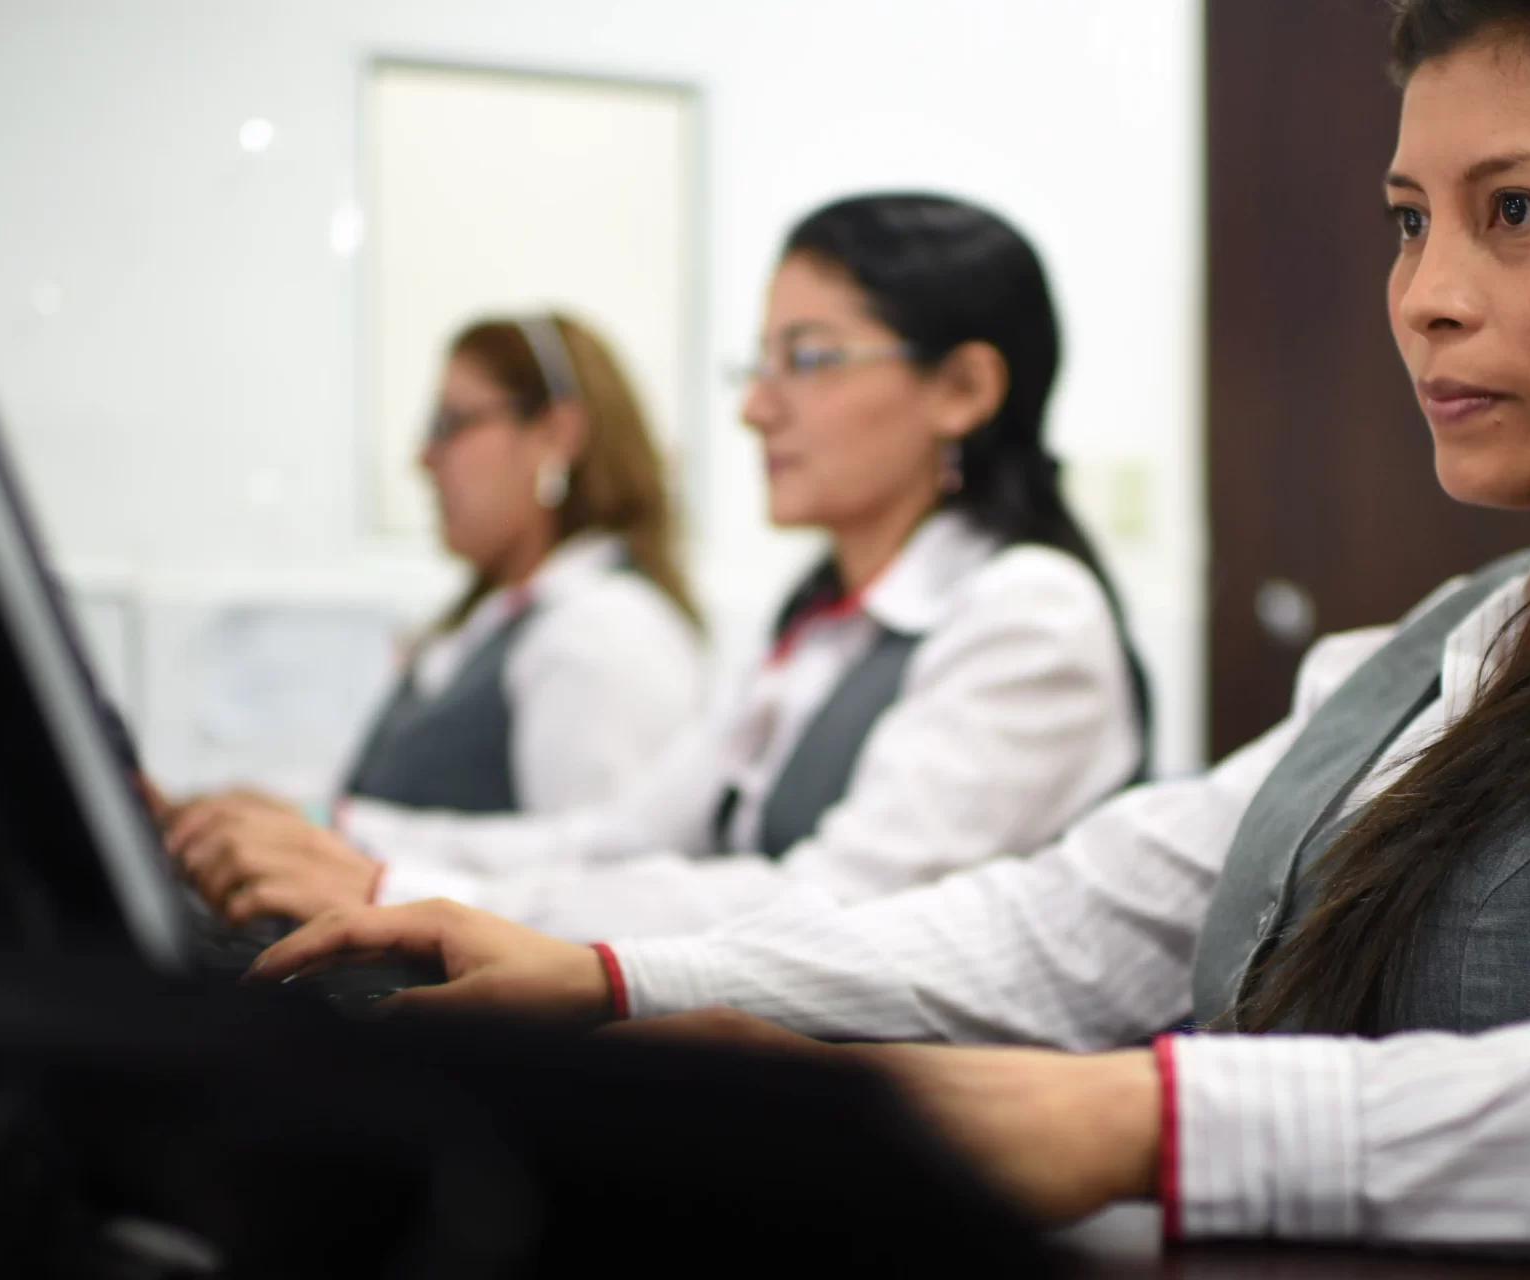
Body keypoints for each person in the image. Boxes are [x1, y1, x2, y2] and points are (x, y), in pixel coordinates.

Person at [250, 3, 1530, 1276]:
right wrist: (605, 977)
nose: (1427, 299)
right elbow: (1068, 921)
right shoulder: (1440, 640)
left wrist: (1150, 1120)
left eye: (1516, 213)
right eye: (1412, 220)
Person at [178, 194, 1151, 937]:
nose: (756, 409)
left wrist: (400, 891)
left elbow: (831, 914)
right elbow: (614, 838)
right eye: (758, 365)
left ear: (964, 387)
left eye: (806, 360)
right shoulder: (824, 624)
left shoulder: (1029, 617)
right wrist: (333, 831)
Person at [162, 315, 705, 890]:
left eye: (452, 423)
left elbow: (596, 881)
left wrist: (330, 831)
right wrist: (256, 816)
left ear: (555, 434)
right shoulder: (497, 617)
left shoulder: (606, 631)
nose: (423, 457)